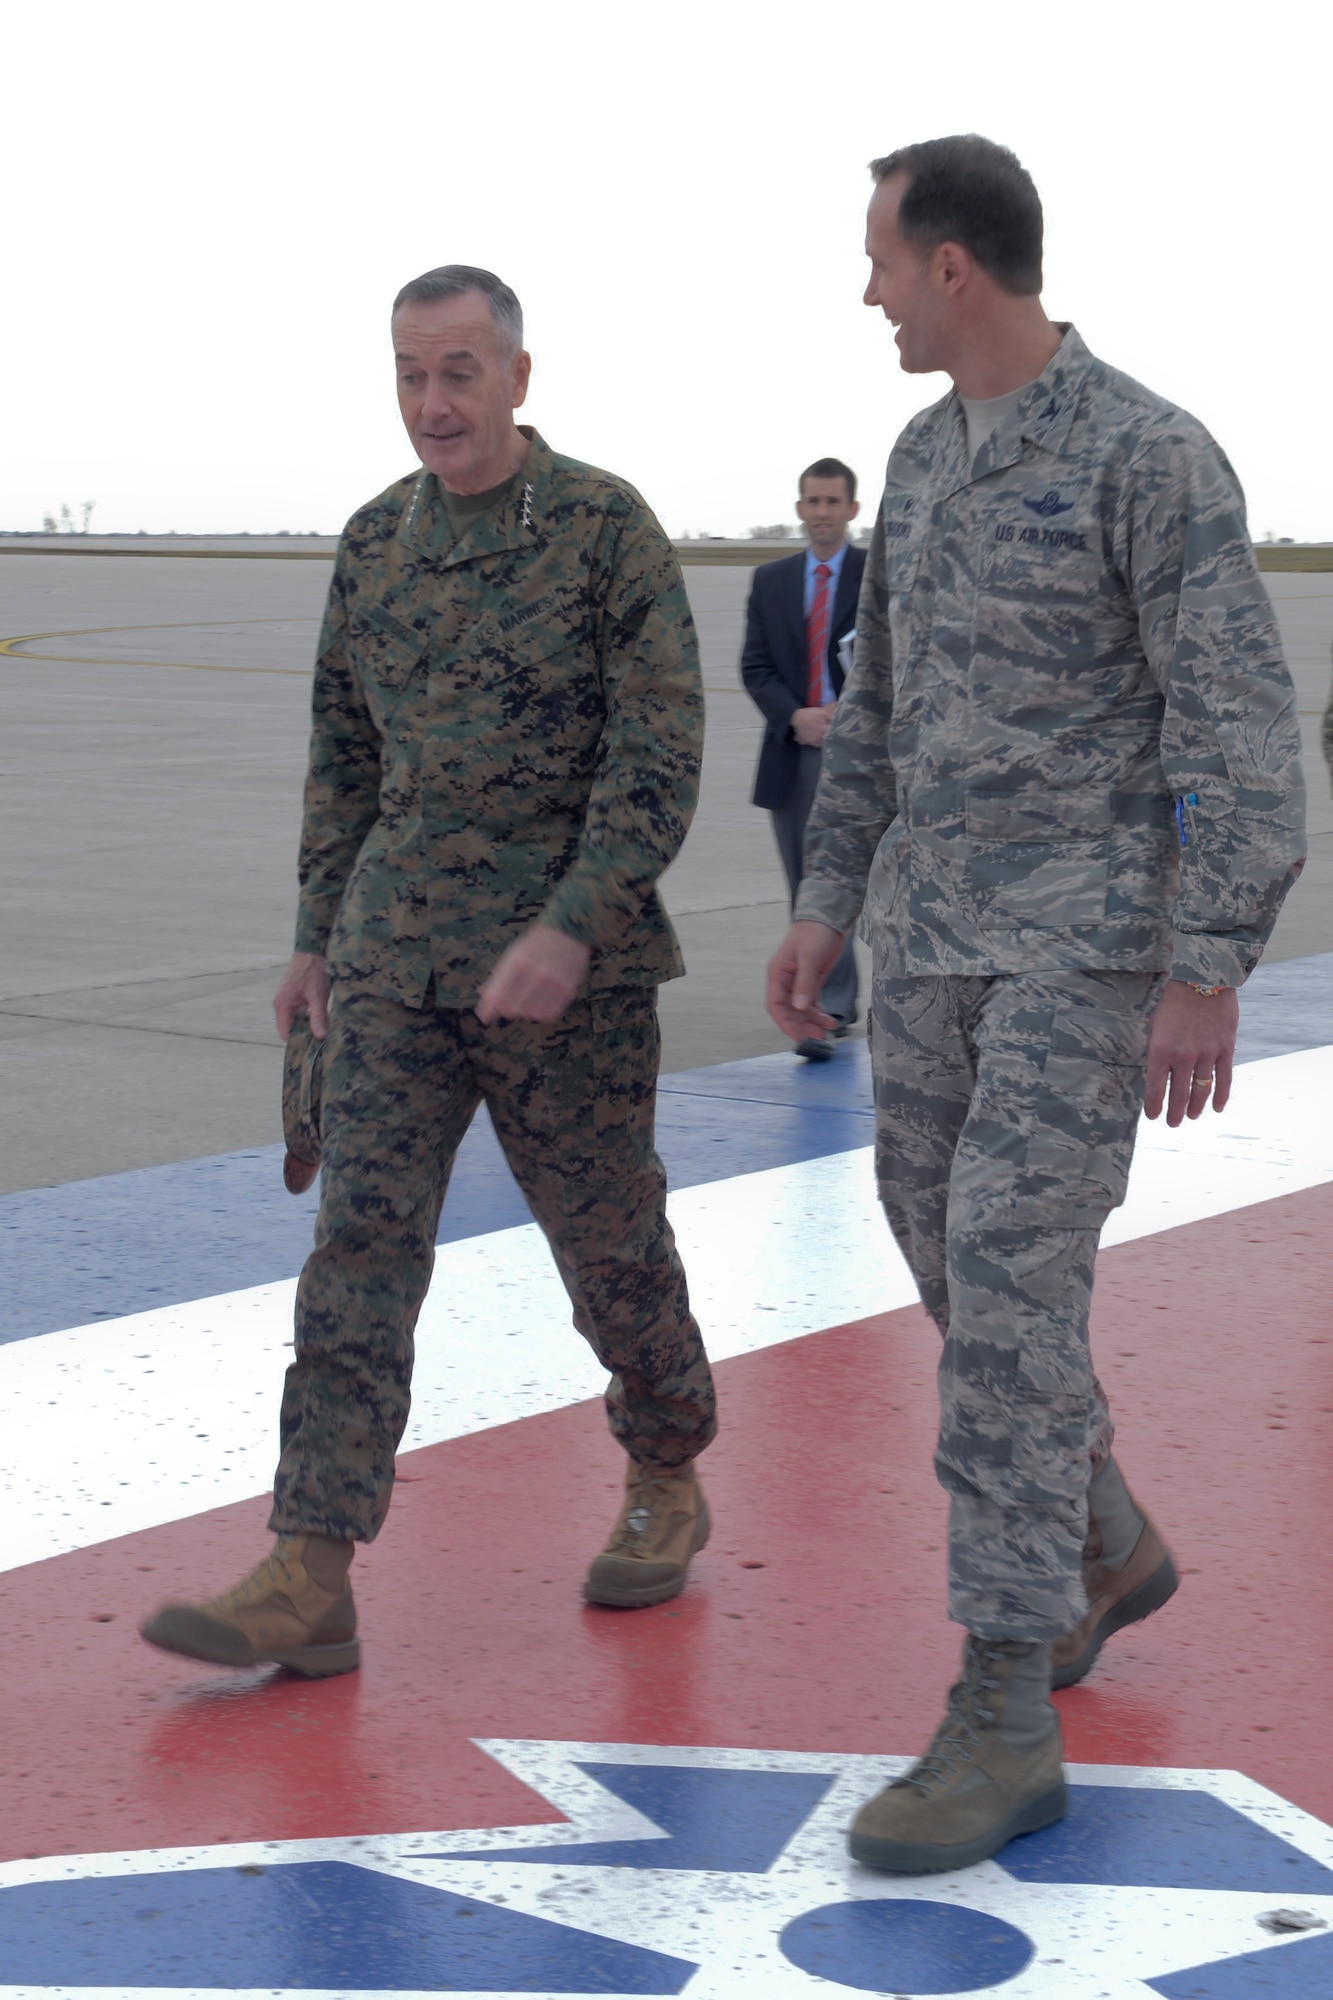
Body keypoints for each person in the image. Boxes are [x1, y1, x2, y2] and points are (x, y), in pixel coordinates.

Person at [768, 137, 1306, 1874]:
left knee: (1004, 1272)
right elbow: (878, 707)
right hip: (928, 942)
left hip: (1085, 947)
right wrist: (825, 903)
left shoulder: (1146, 454)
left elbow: (1233, 727)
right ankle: (1094, 1531)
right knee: (930, 1232)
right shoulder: (921, 464)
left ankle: (1002, 1704)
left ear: (952, 268)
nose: (862, 290)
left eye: (876, 258)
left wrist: (1203, 963)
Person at [141, 265, 717, 1677]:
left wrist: (575, 923)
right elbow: (344, 754)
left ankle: (665, 1464)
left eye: (459, 372)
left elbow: (659, 755)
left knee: (609, 1248)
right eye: (408, 374)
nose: (431, 404)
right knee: (359, 1252)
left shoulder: (602, 530)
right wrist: (310, 935)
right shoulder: (373, 544)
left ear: (520, 376)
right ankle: (311, 1563)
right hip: (396, 959)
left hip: (561, 977)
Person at [741, 460, 865, 1057]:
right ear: (799, 509)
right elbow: (755, 666)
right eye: (812, 501)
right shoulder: (772, 581)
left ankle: (850, 1000)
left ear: (852, 510)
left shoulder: (876, 577)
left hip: (862, 756)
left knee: (859, 883)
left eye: (832, 501)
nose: (821, 511)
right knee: (807, 887)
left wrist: (850, 714)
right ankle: (824, 1007)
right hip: (793, 751)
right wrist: (796, 716)